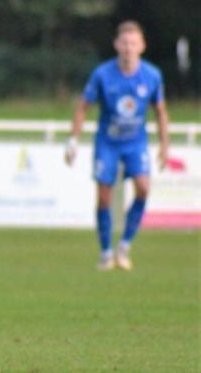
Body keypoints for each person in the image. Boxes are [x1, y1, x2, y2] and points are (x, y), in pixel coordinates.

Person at [65, 20, 170, 271]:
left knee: (144, 188)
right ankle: (105, 251)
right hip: (107, 142)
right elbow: (83, 106)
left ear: (142, 46)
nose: (128, 47)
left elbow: (161, 112)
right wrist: (73, 139)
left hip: (136, 142)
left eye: (133, 43)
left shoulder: (152, 75)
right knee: (103, 196)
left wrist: (165, 145)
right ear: (116, 45)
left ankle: (124, 246)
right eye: (124, 42)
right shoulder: (102, 74)